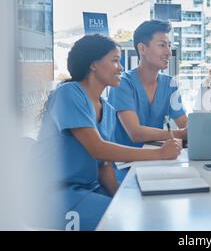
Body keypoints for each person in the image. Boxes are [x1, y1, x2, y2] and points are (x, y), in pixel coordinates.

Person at [34, 35, 182, 231]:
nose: (120, 67)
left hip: (91, 189)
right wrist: (160, 154)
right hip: (56, 195)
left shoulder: (109, 110)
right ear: (93, 64)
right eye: (114, 60)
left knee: (144, 211)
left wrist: (121, 197)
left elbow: (105, 168)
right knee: (131, 222)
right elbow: (98, 149)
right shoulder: (69, 93)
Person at [108, 20, 188, 181]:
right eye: (162, 45)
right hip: (126, 165)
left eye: (169, 45)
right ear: (142, 48)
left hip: (158, 161)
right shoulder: (123, 83)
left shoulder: (169, 83)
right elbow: (135, 133)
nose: (168, 52)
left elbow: (184, 123)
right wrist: (180, 134)